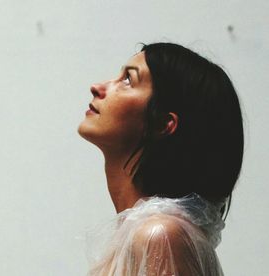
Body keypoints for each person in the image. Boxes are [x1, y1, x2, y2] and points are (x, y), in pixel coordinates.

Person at [77, 42, 244, 276]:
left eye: (128, 80)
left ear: (163, 124)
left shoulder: (159, 235)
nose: (98, 87)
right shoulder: (140, 234)